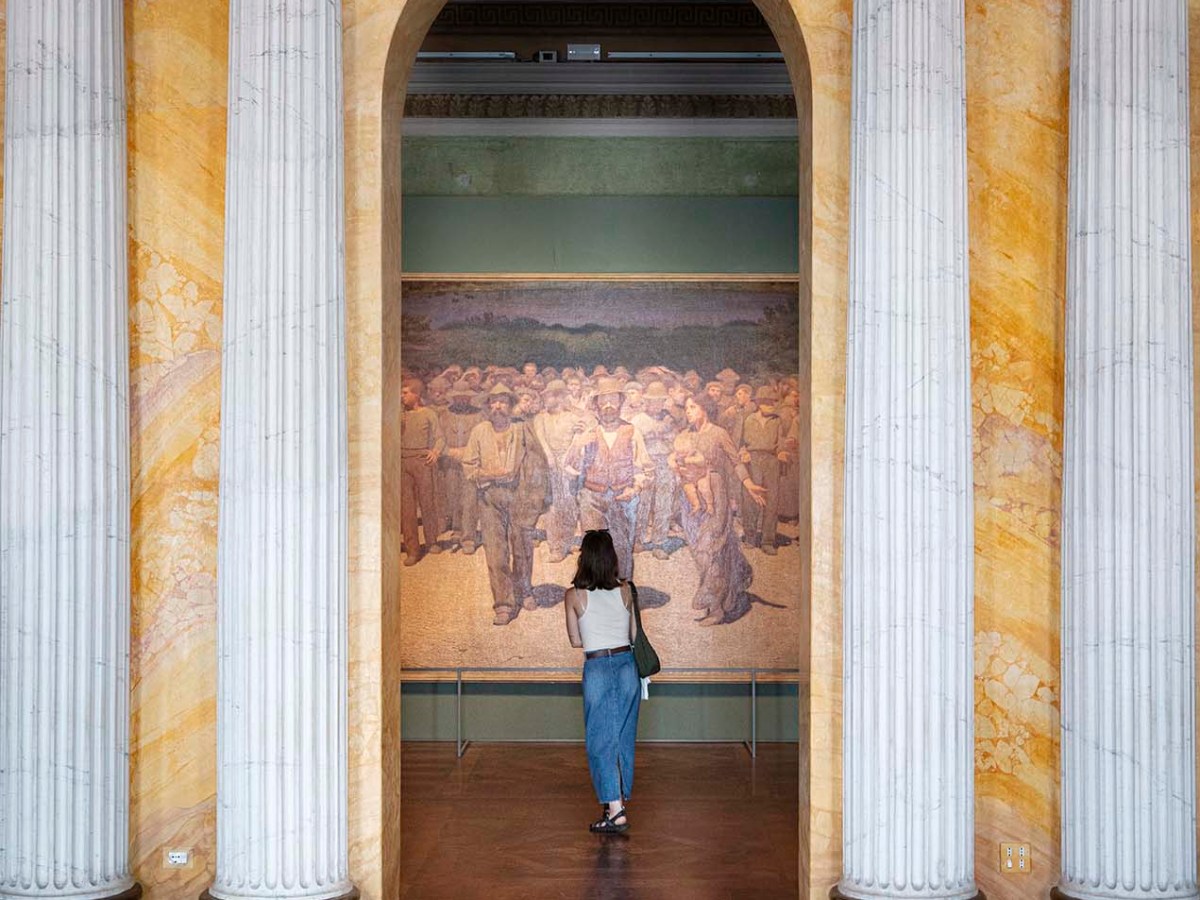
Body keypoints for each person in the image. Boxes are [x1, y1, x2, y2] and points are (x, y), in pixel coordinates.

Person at [564, 529, 640, 834]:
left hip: (597, 666)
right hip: (627, 667)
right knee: (622, 738)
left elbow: (574, 640)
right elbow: (634, 636)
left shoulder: (574, 595)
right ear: (612, 558)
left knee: (600, 740)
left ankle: (615, 810)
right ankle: (616, 801)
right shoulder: (626, 590)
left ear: (584, 558)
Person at [669, 395, 767, 625]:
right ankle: (731, 582)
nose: (689, 412)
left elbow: (736, 462)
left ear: (705, 408)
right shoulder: (685, 435)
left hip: (715, 491)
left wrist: (749, 485)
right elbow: (675, 460)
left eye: (693, 407)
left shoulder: (719, 433)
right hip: (691, 495)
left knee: (712, 546)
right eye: (686, 408)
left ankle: (716, 608)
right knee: (698, 550)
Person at [400, 378, 445, 565]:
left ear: (416, 395)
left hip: (422, 462)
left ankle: (432, 540)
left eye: (405, 393)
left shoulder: (429, 414)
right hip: (402, 462)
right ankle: (412, 550)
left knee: (427, 502)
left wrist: (435, 452)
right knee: (407, 508)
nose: (402, 397)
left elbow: (440, 437)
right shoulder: (399, 415)